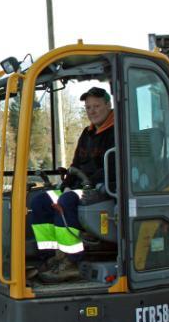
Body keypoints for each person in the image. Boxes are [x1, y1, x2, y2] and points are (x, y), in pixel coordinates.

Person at [28, 86, 114, 282]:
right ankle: (51, 257)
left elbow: (113, 167)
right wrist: (66, 184)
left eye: (96, 106)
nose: (92, 111)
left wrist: (85, 182)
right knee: (40, 201)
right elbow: (75, 163)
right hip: (80, 185)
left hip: (102, 188)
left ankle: (72, 261)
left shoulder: (118, 131)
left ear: (108, 105)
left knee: (66, 201)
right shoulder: (87, 133)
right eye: (88, 107)